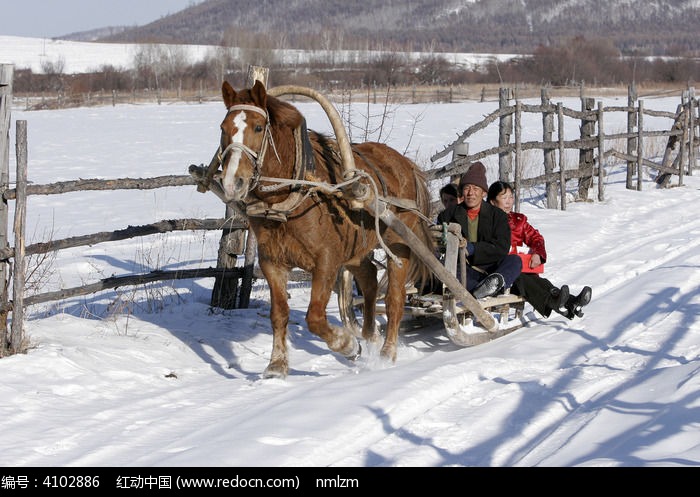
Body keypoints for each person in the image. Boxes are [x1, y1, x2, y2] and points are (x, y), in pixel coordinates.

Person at [487, 180, 592, 319]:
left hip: (519, 271)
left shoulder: (517, 221)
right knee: (520, 275)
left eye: (511, 197)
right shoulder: (485, 220)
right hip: (497, 275)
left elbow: (536, 238)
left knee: (530, 277)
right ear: (493, 201)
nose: (508, 201)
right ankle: (561, 301)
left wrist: (537, 253)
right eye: (504, 197)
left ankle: (568, 301)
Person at [437, 162, 521, 299]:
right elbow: (441, 245)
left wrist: (473, 248)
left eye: (476, 188)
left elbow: (502, 246)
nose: (471, 193)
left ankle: (492, 284)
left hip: (492, 267)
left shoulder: (497, 215)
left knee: (515, 261)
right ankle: (483, 290)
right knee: (450, 273)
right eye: (467, 188)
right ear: (462, 191)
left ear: (484, 192)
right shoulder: (447, 216)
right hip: (464, 268)